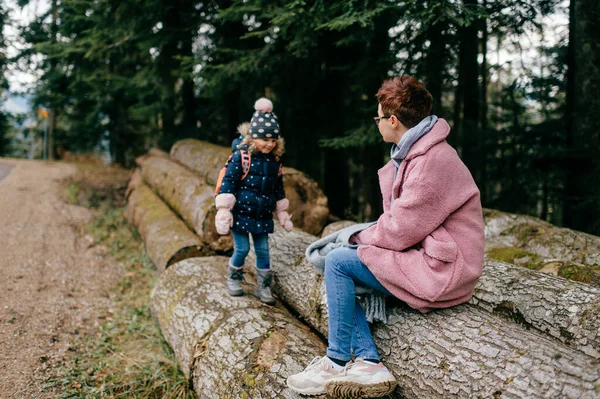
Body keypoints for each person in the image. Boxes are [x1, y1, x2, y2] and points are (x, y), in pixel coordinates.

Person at [287, 76, 485, 398]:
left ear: (393, 121)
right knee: (336, 259)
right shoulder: (415, 152)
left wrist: (354, 238)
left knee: (337, 261)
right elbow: (404, 223)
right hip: (429, 253)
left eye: (377, 118)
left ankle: (337, 362)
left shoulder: (431, 162)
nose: (376, 123)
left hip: (444, 269)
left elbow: (399, 229)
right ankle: (367, 362)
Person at [214, 98, 294, 305]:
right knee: (242, 249)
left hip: (262, 215)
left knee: (263, 251)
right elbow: (229, 183)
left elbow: (278, 189)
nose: (269, 144)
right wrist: (224, 209)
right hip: (241, 212)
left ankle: (264, 287)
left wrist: (282, 212)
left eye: (273, 140)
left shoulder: (275, 163)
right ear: (253, 137)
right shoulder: (241, 157)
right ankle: (233, 279)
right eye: (264, 139)